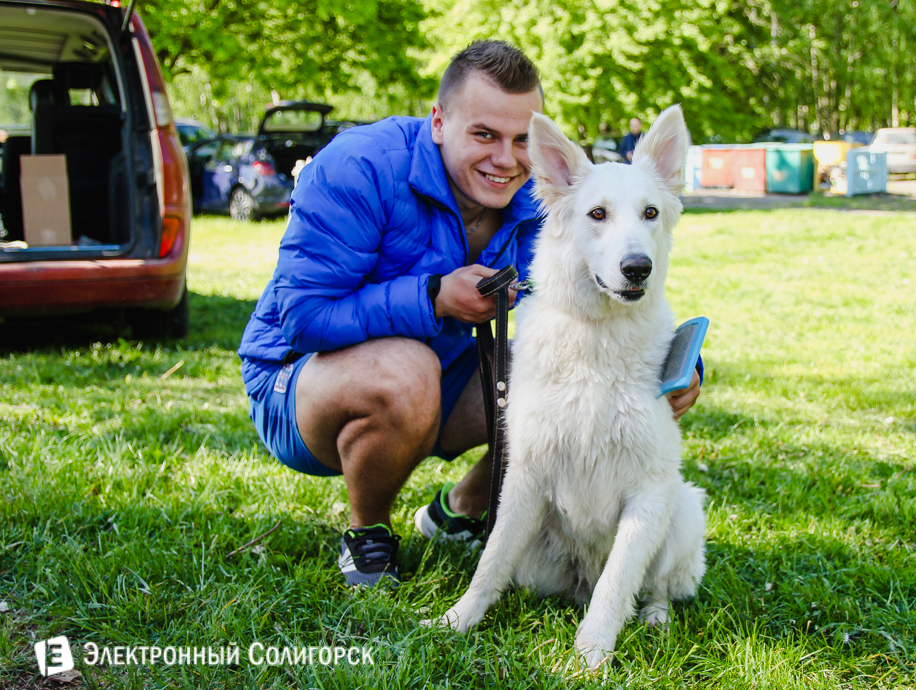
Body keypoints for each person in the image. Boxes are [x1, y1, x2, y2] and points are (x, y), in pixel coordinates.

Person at [237, 41, 704, 588]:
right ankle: (369, 533)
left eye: (519, 140)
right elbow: (302, 317)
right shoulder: (357, 166)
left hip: (450, 373)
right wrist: (431, 296)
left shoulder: (542, 192)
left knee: (564, 382)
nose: (505, 159)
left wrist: (675, 366)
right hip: (299, 384)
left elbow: (593, 294)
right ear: (439, 121)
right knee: (405, 368)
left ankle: (457, 510)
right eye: (483, 135)